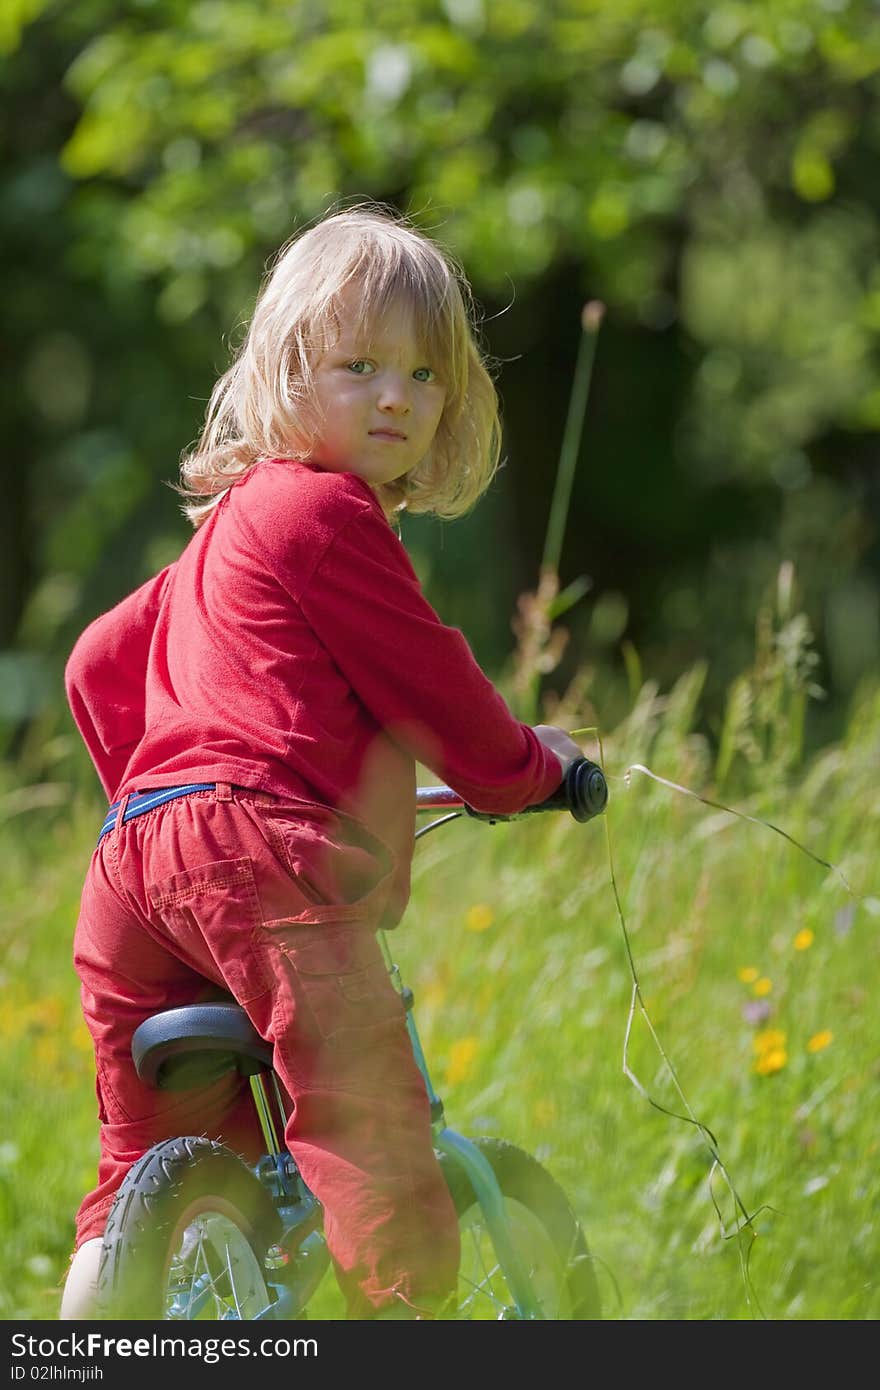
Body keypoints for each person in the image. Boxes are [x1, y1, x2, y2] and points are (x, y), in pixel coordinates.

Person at [59, 204, 583, 1320]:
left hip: (132, 866)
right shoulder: (324, 513)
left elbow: (96, 661)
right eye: (357, 365)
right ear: (287, 372)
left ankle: (96, 1337)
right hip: (254, 853)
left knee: (144, 1174)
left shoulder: (225, 530)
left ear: (450, 400)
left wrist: (154, 798)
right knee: (372, 1133)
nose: (395, 395)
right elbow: (436, 687)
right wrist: (535, 769)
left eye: (423, 374)